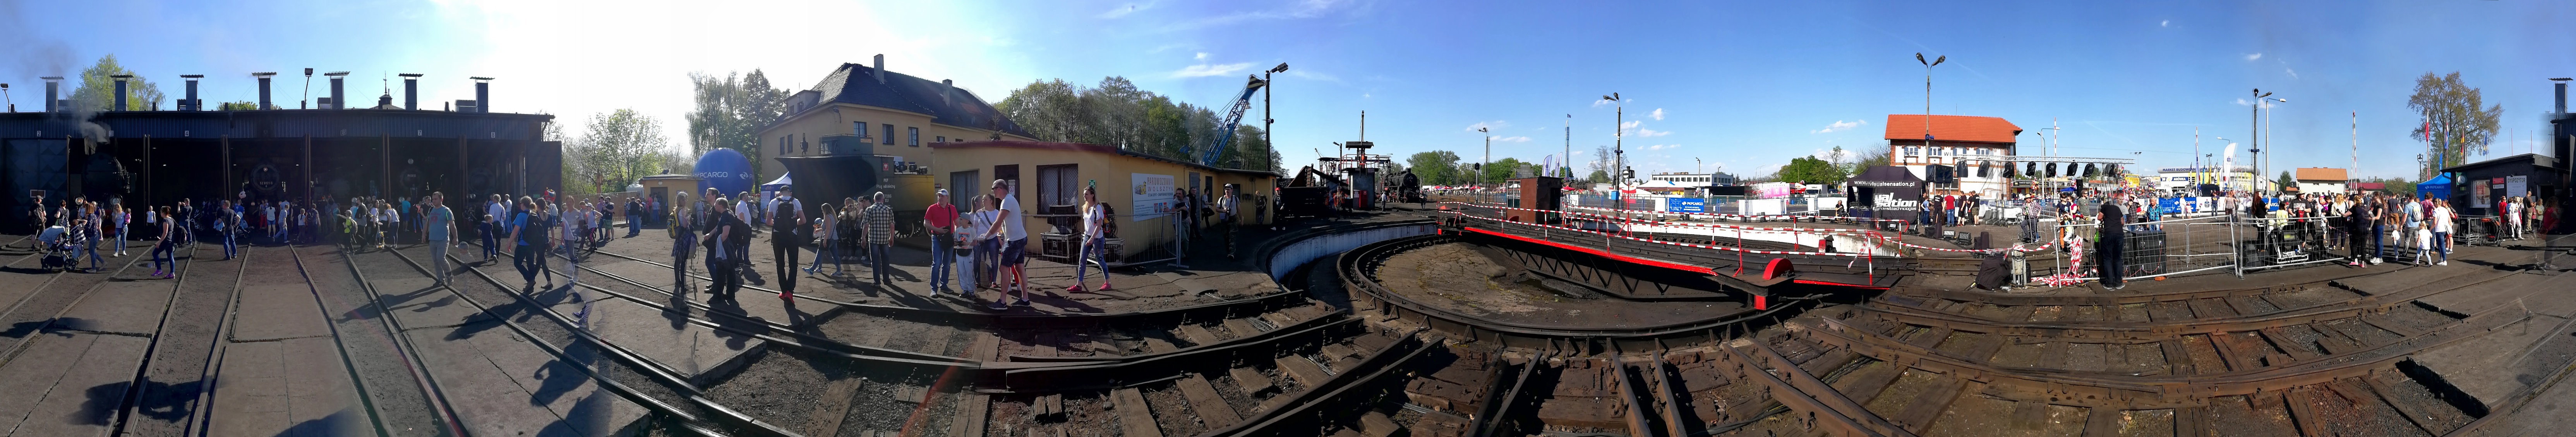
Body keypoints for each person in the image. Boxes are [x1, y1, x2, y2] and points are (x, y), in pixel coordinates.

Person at [987, 180, 1028, 310]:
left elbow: (998, 222)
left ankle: (1002, 302)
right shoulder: (1010, 199)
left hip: (1015, 241)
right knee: (1020, 268)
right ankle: (1025, 299)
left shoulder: (1007, 201)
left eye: (993, 189)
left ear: (999, 189)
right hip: (1020, 238)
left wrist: (985, 236)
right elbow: (1005, 224)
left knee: (1004, 269)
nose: (992, 191)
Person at [1069, 185, 1112, 292]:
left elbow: (1099, 225)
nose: (1084, 196)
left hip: (1097, 239)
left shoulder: (1098, 208)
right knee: (1082, 260)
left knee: (1100, 260)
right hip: (1087, 237)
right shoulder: (1086, 208)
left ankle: (1108, 283)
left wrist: (1092, 239)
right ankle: (1079, 285)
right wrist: (1088, 237)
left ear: (1092, 195)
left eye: (1086, 194)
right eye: (1084, 194)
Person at [770, 188, 806, 299]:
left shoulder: (774, 202)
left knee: (780, 264)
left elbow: (768, 222)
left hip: (778, 236)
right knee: (793, 265)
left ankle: (784, 291)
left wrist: (777, 224)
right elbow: (803, 221)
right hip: (792, 236)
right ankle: (790, 291)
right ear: (790, 193)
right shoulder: (796, 202)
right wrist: (793, 224)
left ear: (780, 193)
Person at [507, 197, 544, 290]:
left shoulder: (521, 215)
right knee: (530, 263)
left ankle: (530, 280)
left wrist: (509, 242)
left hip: (523, 243)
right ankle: (531, 285)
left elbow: (516, 231)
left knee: (517, 263)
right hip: (533, 244)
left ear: (523, 204)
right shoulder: (534, 215)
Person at [925, 189, 957, 295]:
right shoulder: (932, 208)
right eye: (939, 196)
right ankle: (934, 289)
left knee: (947, 264)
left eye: (942, 196)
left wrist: (956, 235)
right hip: (937, 237)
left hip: (949, 238)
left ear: (947, 197)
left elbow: (957, 223)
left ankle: (944, 286)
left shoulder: (952, 208)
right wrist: (938, 230)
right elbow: (926, 223)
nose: (940, 198)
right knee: (937, 263)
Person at [425, 192, 457, 285]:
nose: (434, 201)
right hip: (432, 239)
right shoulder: (431, 210)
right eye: (433, 199)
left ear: (441, 200)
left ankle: (449, 276)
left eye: (436, 199)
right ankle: (441, 280)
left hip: (443, 240)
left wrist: (455, 238)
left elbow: (452, 225)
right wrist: (424, 235)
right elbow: (427, 223)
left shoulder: (447, 211)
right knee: (436, 261)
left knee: (441, 258)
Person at [2097, 190, 2126, 290]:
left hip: (2109, 234)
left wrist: (2105, 220)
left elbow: (2099, 218)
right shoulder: (2118, 209)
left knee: (2108, 259)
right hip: (2119, 234)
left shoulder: (2105, 207)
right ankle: (2119, 283)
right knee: (2118, 258)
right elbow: (2122, 222)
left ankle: (2109, 284)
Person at [865, 192, 895, 287]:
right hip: (885, 239)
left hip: (873, 239)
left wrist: (863, 238)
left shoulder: (869, 210)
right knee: (885, 260)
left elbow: (866, 226)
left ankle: (877, 283)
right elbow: (892, 226)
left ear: (874, 200)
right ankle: (886, 280)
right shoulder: (889, 210)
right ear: (883, 200)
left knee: (875, 261)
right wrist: (892, 238)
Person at [806, 203, 839, 276]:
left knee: (819, 254)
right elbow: (830, 228)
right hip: (835, 238)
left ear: (825, 210)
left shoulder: (827, 216)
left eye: (823, 210)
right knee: (835, 255)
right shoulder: (833, 216)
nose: (822, 212)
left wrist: (825, 240)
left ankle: (812, 270)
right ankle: (839, 271)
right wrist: (820, 230)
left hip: (829, 238)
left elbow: (828, 229)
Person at [672, 201, 697, 293]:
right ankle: (683, 285)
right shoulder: (683, 210)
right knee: (683, 262)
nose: (687, 201)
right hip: (684, 237)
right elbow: (685, 224)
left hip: (679, 237)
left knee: (678, 260)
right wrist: (688, 219)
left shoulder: (676, 210)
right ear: (682, 201)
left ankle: (677, 282)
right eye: (686, 199)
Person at [1168, 189, 1192, 269]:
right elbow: (1173, 212)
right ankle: (1184, 254)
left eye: (1179, 194)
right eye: (1177, 193)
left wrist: (1189, 216)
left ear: (1183, 194)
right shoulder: (1175, 202)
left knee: (1187, 238)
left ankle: (1184, 254)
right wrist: (1181, 208)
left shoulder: (1186, 199)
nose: (1178, 195)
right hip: (1179, 222)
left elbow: (1189, 207)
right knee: (1183, 238)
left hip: (1186, 221)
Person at [1217, 184, 1239, 260]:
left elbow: (1239, 209)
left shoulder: (1235, 199)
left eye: (1229, 189)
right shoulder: (1222, 199)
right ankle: (1229, 252)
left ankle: (1232, 253)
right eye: (1226, 190)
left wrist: (1242, 220)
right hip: (1225, 221)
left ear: (1232, 190)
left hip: (1233, 221)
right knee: (1226, 237)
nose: (1227, 191)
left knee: (1232, 237)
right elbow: (1217, 209)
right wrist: (1223, 211)